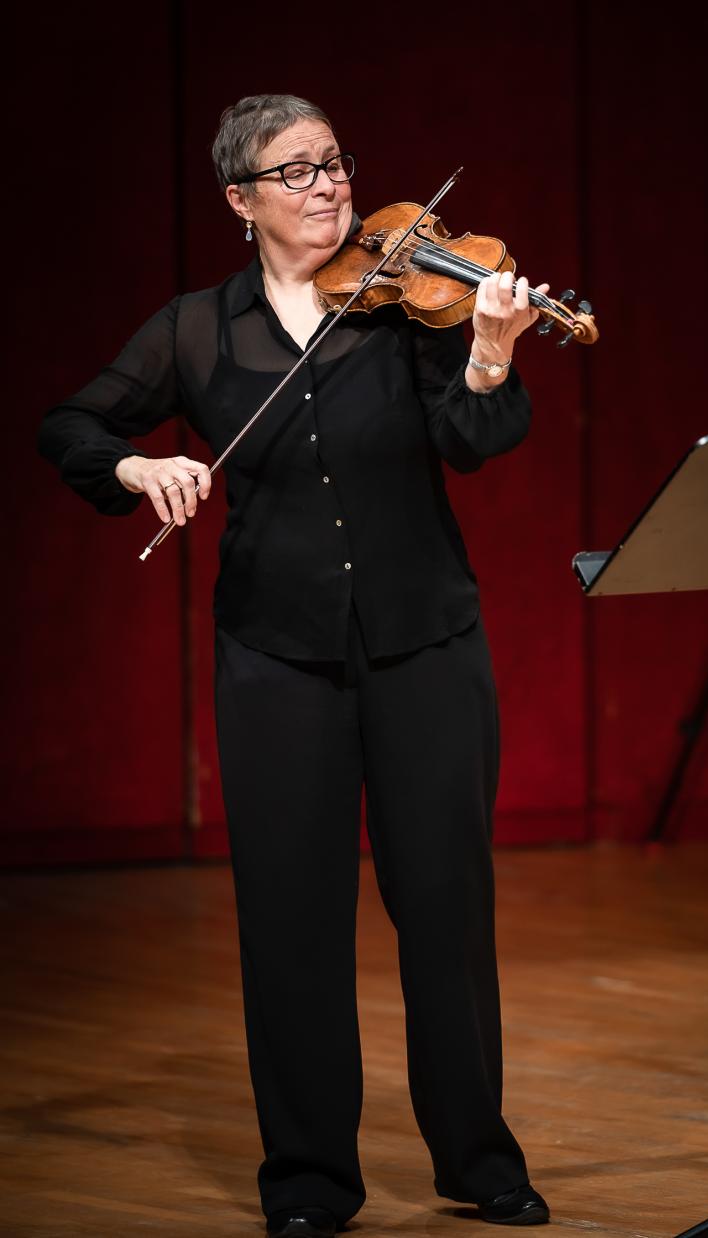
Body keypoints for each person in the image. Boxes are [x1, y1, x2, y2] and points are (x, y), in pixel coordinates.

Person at [38, 94, 551, 1238]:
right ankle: (311, 1181)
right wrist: (132, 470)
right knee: (290, 921)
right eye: (296, 171)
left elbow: (475, 444)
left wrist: (487, 355)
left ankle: (477, 1158)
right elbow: (70, 422)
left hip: (426, 647)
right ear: (240, 199)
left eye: (336, 164)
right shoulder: (196, 330)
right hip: (275, 660)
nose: (328, 187)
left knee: (445, 909)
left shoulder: (408, 308)